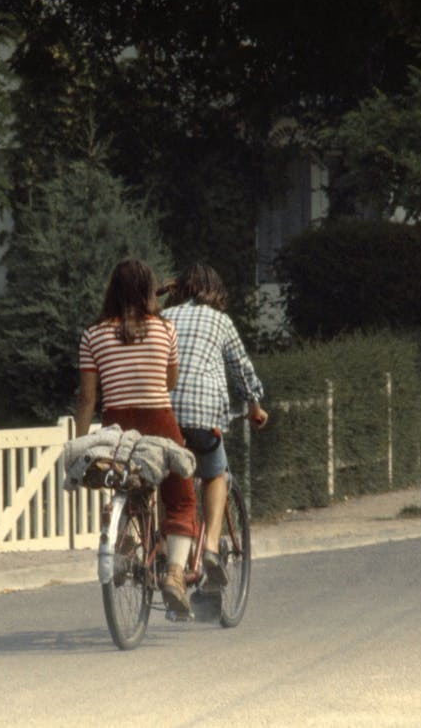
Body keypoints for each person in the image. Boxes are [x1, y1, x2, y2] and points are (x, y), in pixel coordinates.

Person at [76, 258, 197, 616]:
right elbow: (168, 382)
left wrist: (83, 443)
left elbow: (87, 398)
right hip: (160, 422)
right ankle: (175, 574)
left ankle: (125, 546)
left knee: (125, 481)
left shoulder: (92, 334)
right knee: (181, 498)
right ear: (149, 289)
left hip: (117, 427)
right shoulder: (165, 329)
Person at [161, 263, 268, 591]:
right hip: (203, 414)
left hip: (163, 411)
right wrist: (254, 405)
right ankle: (209, 547)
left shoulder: (165, 319)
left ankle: (167, 553)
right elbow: (241, 367)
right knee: (215, 474)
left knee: (168, 476)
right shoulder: (221, 321)